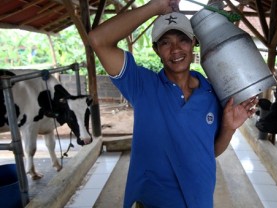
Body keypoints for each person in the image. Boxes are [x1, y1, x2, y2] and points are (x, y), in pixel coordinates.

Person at [88, 0, 258, 207]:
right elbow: (98, 40)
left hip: (199, 201)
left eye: (182, 40)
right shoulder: (142, 85)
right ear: (156, 50)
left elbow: (210, 150)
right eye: (166, 42)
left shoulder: (213, 93)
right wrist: (156, 6)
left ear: (194, 42)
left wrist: (229, 128)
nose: (176, 49)